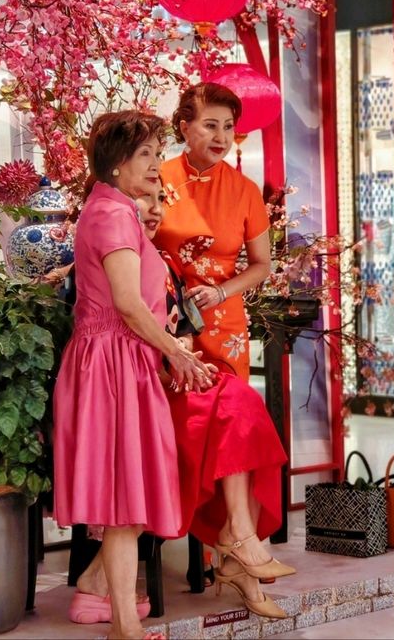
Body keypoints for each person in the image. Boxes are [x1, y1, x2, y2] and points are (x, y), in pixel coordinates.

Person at [53, 110, 215, 640]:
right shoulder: (114, 215)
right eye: (144, 154)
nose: (154, 163)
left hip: (118, 359)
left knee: (135, 488)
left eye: (155, 151)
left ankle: (97, 588)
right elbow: (126, 304)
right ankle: (124, 624)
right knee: (126, 498)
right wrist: (179, 352)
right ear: (116, 165)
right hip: (114, 361)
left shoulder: (112, 209)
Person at [139, 188, 295, 619]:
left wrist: (186, 361)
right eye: (144, 200)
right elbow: (129, 343)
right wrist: (176, 366)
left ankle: (236, 541)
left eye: (158, 202)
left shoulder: (168, 266)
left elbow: (182, 332)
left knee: (238, 401)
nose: (155, 211)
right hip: (144, 389)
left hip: (184, 369)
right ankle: (239, 549)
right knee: (234, 407)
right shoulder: (124, 264)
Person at [153, 82, 271, 382]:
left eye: (228, 127)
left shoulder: (245, 191)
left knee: (226, 415)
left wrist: (220, 293)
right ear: (185, 127)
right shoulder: (156, 178)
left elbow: (261, 265)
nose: (222, 137)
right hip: (163, 321)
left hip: (222, 321)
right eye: (210, 125)